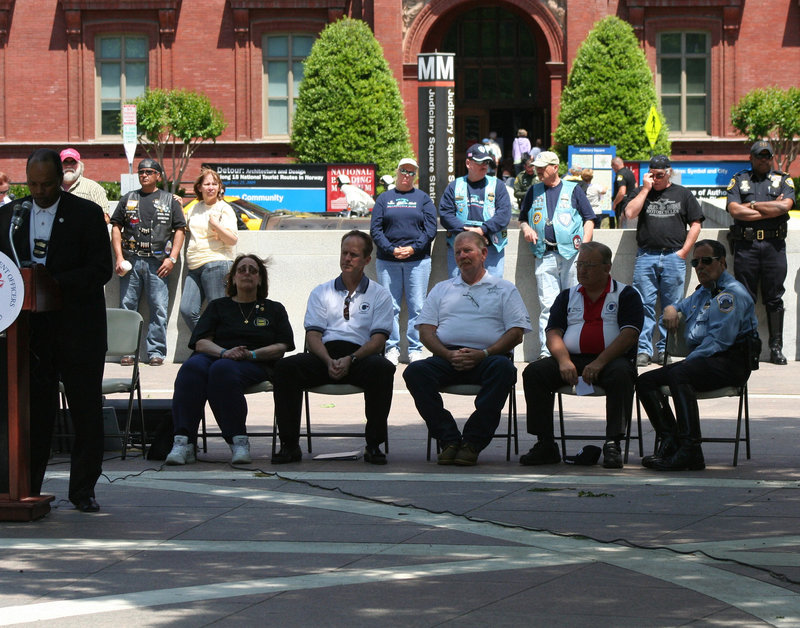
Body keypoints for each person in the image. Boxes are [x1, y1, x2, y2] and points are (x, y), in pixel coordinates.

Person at [0, 148, 112, 512]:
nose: (40, 191)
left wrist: (55, 283)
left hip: (78, 328)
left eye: (47, 184)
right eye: (33, 184)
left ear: (60, 180)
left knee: (85, 411)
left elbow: (101, 270)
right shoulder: (9, 216)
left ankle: (83, 490)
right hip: (29, 333)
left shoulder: (86, 213)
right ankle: (26, 485)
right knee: (32, 412)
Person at [403, 231, 531, 466]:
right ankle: (449, 440)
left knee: (504, 370)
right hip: (447, 356)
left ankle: (472, 442)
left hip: (489, 358)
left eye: (467, 250)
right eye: (458, 252)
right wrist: (447, 354)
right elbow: (425, 331)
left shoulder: (504, 289)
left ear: (483, 254)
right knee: (414, 372)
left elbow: (516, 333)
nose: (462, 256)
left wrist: (484, 353)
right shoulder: (442, 289)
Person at [271, 230, 395, 465]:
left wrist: (351, 359)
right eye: (344, 253)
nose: (347, 258)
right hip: (324, 355)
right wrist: (329, 361)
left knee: (383, 368)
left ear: (367, 260)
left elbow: (378, 341)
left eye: (354, 255)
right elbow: (313, 336)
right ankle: (289, 445)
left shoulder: (380, 295)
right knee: (286, 368)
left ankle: (374, 445)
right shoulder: (322, 291)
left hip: (361, 356)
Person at [637, 240, 758, 471]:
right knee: (645, 382)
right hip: (705, 362)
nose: (700, 266)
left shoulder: (729, 296)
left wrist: (685, 364)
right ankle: (671, 441)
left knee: (679, 374)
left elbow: (719, 342)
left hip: (729, 362)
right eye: (695, 262)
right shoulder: (704, 291)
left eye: (706, 261)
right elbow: (680, 306)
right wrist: (670, 309)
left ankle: (691, 449)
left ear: (722, 262)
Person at [520, 242, 643, 469]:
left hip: (611, 361)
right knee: (534, 373)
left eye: (589, 265)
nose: (582, 270)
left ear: (607, 268)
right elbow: (553, 332)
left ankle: (613, 443)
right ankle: (545, 443)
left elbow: (629, 335)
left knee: (622, 374)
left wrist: (600, 362)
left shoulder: (626, 294)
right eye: (579, 265)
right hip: (572, 360)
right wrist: (563, 360)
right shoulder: (567, 296)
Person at [167, 254, 294, 466]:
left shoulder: (274, 309)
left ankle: (238, 440)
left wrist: (251, 354)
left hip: (255, 362)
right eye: (241, 270)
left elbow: (282, 347)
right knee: (191, 368)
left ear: (260, 279)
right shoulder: (218, 306)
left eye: (253, 270)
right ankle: (183, 442)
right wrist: (225, 352)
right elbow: (200, 342)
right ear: (233, 278)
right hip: (216, 356)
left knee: (222, 370)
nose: (247, 273)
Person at [625, 154, 703, 367]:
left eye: (660, 175)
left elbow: (696, 223)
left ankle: (665, 350)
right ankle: (643, 350)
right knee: (643, 305)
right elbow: (629, 213)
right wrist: (645, 189)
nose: (656, 178)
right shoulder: (643, 192)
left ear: (668, 173)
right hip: (646, 255)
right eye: (652, 174)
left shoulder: (683, 194)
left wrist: (684, 252)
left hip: (673, 256)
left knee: (671, 308)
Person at [726, 140, 796, 365]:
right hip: (746, 248)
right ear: (751, 158)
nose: (764, 160)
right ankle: (750, 349)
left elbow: (785, 207)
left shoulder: (783, 179)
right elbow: (734, 210)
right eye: (760, 156)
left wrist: (752, 207)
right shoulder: (739, 180)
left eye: (768, 156)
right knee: (745, 298)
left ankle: (776, 348)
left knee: (774, 298)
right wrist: (768, 209)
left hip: (774, 248)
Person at [110, 158, 186, 366]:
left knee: (158, 308)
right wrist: (119, 257)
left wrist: (173, 258)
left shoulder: (169, 200)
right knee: (127, 308)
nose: (144, 175)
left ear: (158, 176)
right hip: (131, 261)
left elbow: (180, 229)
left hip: (158, 263)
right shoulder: (128, 199)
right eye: (141, 172)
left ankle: (156, 352)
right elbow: (116, 227)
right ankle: (127, 351)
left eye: (149, 172)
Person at [519, 150, 595, 357]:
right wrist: (526, 229)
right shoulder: (533, 191)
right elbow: (523, 218)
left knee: (575, 303)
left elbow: (589, 218)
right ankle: (547, 351)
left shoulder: (574, 189)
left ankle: (573, 348)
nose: (539, 171)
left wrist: (585, 247)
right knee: (548, 306)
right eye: (537, 168)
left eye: (543, 168)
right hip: (544, 254)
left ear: (555, 168)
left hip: (572, 255)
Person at [370, 157, 437, 365]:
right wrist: (391, 249)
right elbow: (376, 229)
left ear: (415, 176)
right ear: (397, 172)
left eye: (411, 172)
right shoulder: (384, 198)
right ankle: (391, 348)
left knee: (417, 307)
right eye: (404, 171)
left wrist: (413, 248)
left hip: (418, 261)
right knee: (390, 307)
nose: (407, 176)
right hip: (387, 261)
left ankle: (416, 349)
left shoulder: (423, 198)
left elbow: (430, 229)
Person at [179, 168, 239, 331]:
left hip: (217, 263)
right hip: (194, 266)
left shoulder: (224, 208)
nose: (211, 187)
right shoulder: (194, 208)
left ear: (220, 187)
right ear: (199, 187)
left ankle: (219, 349)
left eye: (215, 184)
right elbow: (183, 227)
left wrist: (217, 226)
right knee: (187, 310)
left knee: (218, 312)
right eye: (207, 184)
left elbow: (233, 240)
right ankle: (206, 344)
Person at [439, 143, 511, 278]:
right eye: (479, 162)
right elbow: (445, 214)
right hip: (461, 249)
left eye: (486, 162)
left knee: (492, 292)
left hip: (490, 249)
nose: (484, 166)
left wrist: (483, 230)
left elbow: (504, 215)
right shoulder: (454, 186)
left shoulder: (498, 186)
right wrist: (468, 234)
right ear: (468, 163)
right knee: (458, 293)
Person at [59, 148, 110, 223]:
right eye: (65, 162)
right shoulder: (51, 188)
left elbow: (106, 218)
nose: (69, 166)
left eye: (73, 162)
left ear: (79, 165)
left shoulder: (94, 188)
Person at [611, 156, 637, 228]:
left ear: (615, 165)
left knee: (621, 225)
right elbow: (635, 185)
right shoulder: (630, 172)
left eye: (612, 167)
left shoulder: (620, 175)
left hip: (622, 205)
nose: (613, 169)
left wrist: (615, 203)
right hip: (631, 203)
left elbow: (622, 192)